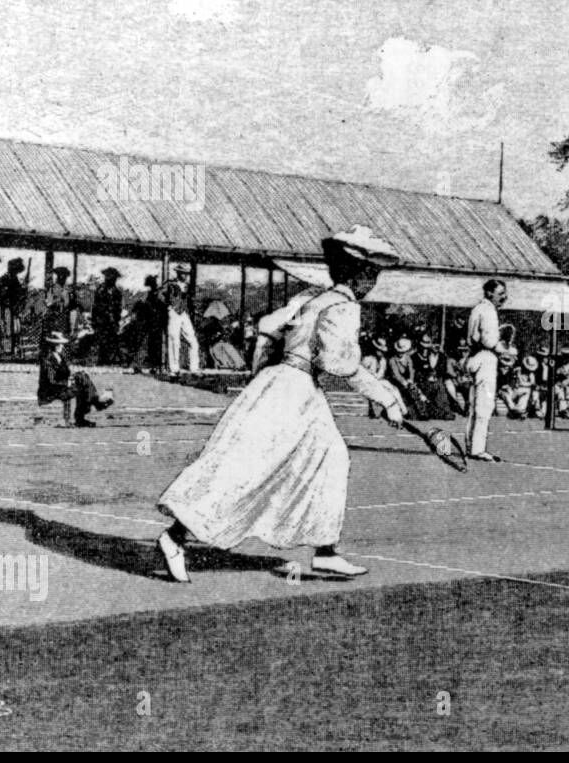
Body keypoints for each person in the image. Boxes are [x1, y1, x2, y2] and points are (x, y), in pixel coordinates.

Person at [155, 226, 408, 583]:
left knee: (330, 456)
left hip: (284, 385)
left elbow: (268, 331)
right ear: (359, 273)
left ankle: (326, 551)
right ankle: (175, 536)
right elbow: (340, 364)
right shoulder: (344, 306)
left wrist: (263, 379)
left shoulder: (312, 298)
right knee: (246, 467)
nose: (374, 280)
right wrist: (386, 399)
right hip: (295, 391)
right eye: (372, 273)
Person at [465, 280, 509, 462]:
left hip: (474, 358)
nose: (504, 297)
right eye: (501, 293)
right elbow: (489, 341)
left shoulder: (477, 309)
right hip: (486, 359)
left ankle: (471, 446)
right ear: (490, 293)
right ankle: (477, 449)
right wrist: (506, 351)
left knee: (475, 406)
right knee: (484, 405)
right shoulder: (489, 311)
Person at [38, 332, 115, 427]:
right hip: (51, 391)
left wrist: (71, 378)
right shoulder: (48, 359)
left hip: (61, 387)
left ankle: (90, 409)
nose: (60, 346)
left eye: (60, 344)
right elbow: (51, 381)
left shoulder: (60, 357)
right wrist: (67, 382)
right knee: (81, 389)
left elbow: (64, 374)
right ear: (52, 346)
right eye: (57, 344)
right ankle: (89, 410)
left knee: (82, 376)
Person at [162, 266, 200, 374]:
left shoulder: (187, 286)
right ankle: (174, 369)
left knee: (193, 341)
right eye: (183, 273)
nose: (186, 275)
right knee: (174, 341)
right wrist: (168, 306)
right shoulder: (170, 284)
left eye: (187, 273)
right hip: (174, 313)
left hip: (183, 313)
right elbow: (160, 295)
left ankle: (194, 368)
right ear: (178, 273)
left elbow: (189, 300)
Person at [91, 267, 124, 365]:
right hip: (101, 320)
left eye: (112, 277)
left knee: (111, 340)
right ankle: (101, 360)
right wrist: (94, 320)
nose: (110, 279)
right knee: (102, 340)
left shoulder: (117, 292)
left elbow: (118, 308)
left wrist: (116, 319)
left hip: (112, 321)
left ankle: (110, 360)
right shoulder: (100, 290)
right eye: (108, 277)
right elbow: (95, 306)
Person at [0, 258, 27, 355]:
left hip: (13, 308)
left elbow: (19, 294)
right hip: (5, 307)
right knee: (6, 329)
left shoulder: (15, 279)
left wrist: (22, 291)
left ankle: (13, 349)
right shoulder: (4, 279)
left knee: (15, 329)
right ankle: (6, 349)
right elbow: (2, 293)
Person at [42, 266, 73, 356]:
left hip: (63, 316)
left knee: (63, 336)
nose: (62, 279)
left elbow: (69, 304)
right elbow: (48, 302)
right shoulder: (52, 288)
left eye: (64, 277)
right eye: (60, 276)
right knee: (53, 336)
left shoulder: (67, 290)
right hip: (53, 316)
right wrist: (58, 300)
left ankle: (61, 354)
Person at [503, 353, 540, 419]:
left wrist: (529, 385)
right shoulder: (517, 370)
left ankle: (519, 410)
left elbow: (532, 383)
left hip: (524, 391)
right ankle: (514, 409)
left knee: (528, 394)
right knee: (506, 394)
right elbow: (514, 381)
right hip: (514, 390)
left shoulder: (531, 374)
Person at [444, 339, 473, 416]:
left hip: (466, 383)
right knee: (448, 382)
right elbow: (449, 371)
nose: (463, 353)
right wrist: (456, 377)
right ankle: (456, 403)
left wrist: (467, 378)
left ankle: (468, 406)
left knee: (469, 387)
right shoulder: (451, 360)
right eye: (460, 350)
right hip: (456, 381)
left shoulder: (471, 360)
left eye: (465, 351)